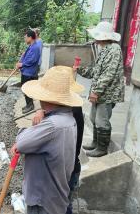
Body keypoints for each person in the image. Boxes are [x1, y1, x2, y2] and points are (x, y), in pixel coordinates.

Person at [10, 67, 83, 214]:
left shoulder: (52, 125)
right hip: (54, 195)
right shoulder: (69, 118)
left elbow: (22, 143)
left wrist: (33, 126)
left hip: (43, 199)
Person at [32, 66, 85, 214]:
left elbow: (32, 141)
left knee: (60, 207)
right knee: (64, 205)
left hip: (62, 171)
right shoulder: (72, 108)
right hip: (70, 166)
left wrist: (42, 115)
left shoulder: (65, 115)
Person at [75, 21, 125, 157]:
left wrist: (96, 91)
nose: (95, 39)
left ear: (103, 36)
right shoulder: (104, 49)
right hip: (100, 92)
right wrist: (79, 70)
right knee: (93, 117)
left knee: (101, 120)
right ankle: (95, 143)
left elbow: (109, 73)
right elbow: (95, 72)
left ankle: (102, 148)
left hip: (107, 93)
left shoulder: (114, 49)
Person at [16, 29, 41, 114]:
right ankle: (28, 104)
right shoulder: (31, 46)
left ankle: (30, 105)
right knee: (24, 89)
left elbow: (32, 60)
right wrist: (21, 62)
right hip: (26, 72)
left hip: (30, 73)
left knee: (27, 90)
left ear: (30, 37)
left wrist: (22, 64)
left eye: (25, 37)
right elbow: (27, 57)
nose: (25, 39)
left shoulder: (35, 47)